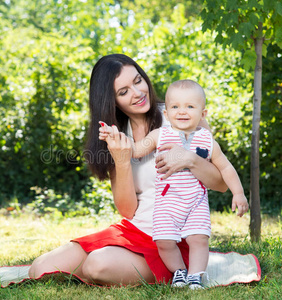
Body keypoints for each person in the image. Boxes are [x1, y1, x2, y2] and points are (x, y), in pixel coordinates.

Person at [28, 54, 228, 286]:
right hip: (134, 230)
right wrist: (122, 161)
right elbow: (127, 210)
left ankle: (180, 272)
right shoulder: (117, 135)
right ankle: (107, 266)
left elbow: (221, 184)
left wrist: (190, 159)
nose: (137, 93)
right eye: (123, 92)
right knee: (40, 269)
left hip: (175, 239)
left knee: (97, 264)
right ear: (111, 101)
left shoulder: (181, 114)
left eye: (137, 81)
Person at [99, 79, 249, 289]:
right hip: (167, 203)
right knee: (164, 242)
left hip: (195, 202)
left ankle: (196, 275)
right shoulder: (161, 134)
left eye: (190, 106)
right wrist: (113, 137)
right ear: (167, 114)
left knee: (199, 239)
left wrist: (239, 193)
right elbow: (135, 149)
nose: (182, 111)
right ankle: (179, 271)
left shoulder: (207, 140)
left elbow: (226, 168)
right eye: (175, 107)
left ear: (203, 114)